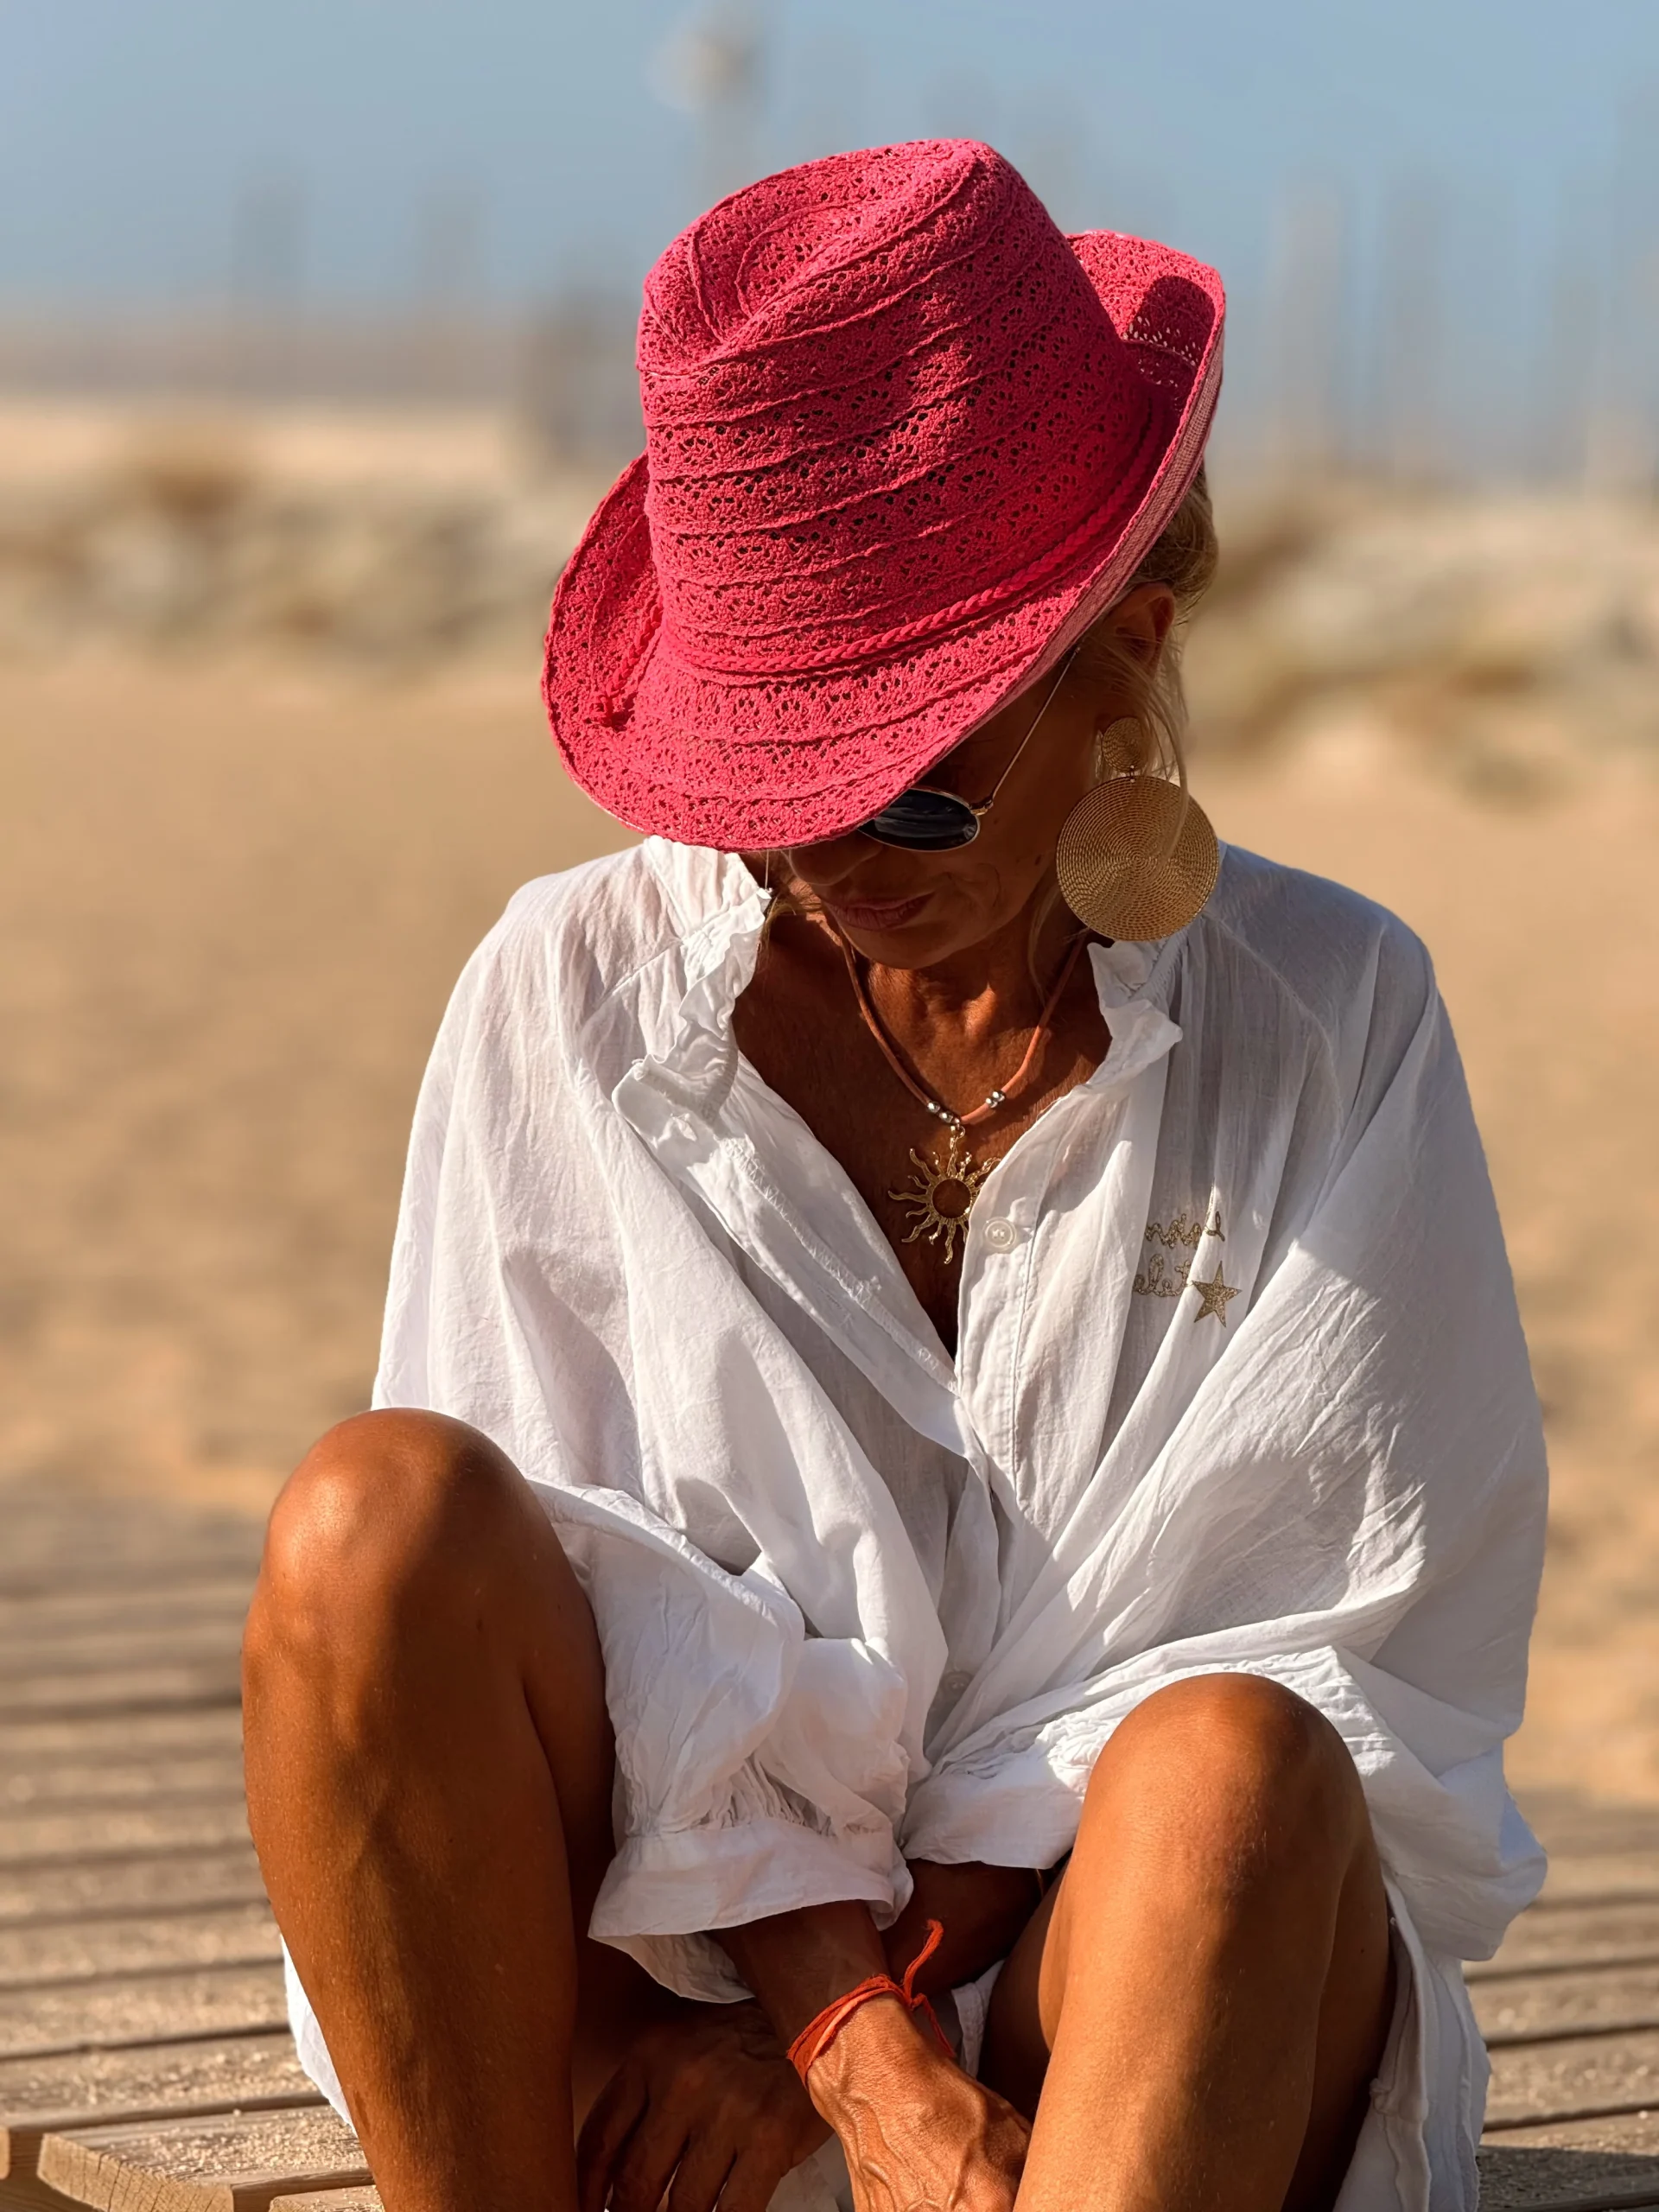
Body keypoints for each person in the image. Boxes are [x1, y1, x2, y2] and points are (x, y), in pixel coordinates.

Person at [242, 141, 1547, 2212]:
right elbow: (597, 1586)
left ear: (1128, 643)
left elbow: (1330, 1644)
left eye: (906, 785)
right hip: (649, 1977)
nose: (827, 864)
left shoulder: (1336, 1019)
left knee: (1229, 1774)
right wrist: (837, 2036)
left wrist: (895, 2027)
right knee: (366, 1530)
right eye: (767, 795)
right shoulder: (567, 998)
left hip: (1134, 1992)